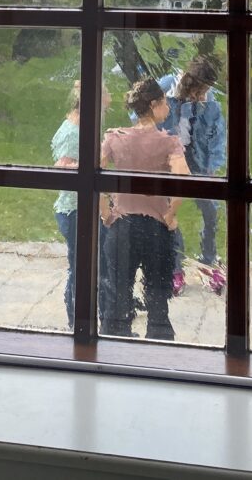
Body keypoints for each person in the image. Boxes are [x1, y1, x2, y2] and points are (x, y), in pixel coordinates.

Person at [99, 78, 190, 341]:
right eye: (164, 102)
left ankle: (114, 347)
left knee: (117, 295)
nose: (168, 107)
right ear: (153, 105)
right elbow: (184, 178)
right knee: (158, 296)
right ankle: (157, 351)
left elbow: (91, 173)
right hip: (155, 229)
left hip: (122, 226)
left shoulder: (115, 138)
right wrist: (171, 214)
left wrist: (106, 211)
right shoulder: (169, 143)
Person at [161, 56, 226, 290]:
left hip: (198, 160)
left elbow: (218, 137)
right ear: (191, 83)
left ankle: (208, 263)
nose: (205, 94)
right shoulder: (166, 86)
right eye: (203, 89)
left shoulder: (211, 103)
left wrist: (212, 167)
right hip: (168, 162)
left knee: (210, 211)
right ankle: (175, 268)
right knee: (169, 213)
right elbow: (139, 115)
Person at [51, 81, 111, 327]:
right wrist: (93, 165)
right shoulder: (72, 131)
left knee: (94, 265)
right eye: (106, 93)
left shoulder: (84, 126)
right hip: (75, 211)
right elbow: (61, 169)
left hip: (85, 207)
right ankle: (77, 322)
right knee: (81, 268)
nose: (110, 97)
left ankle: (100, 318)